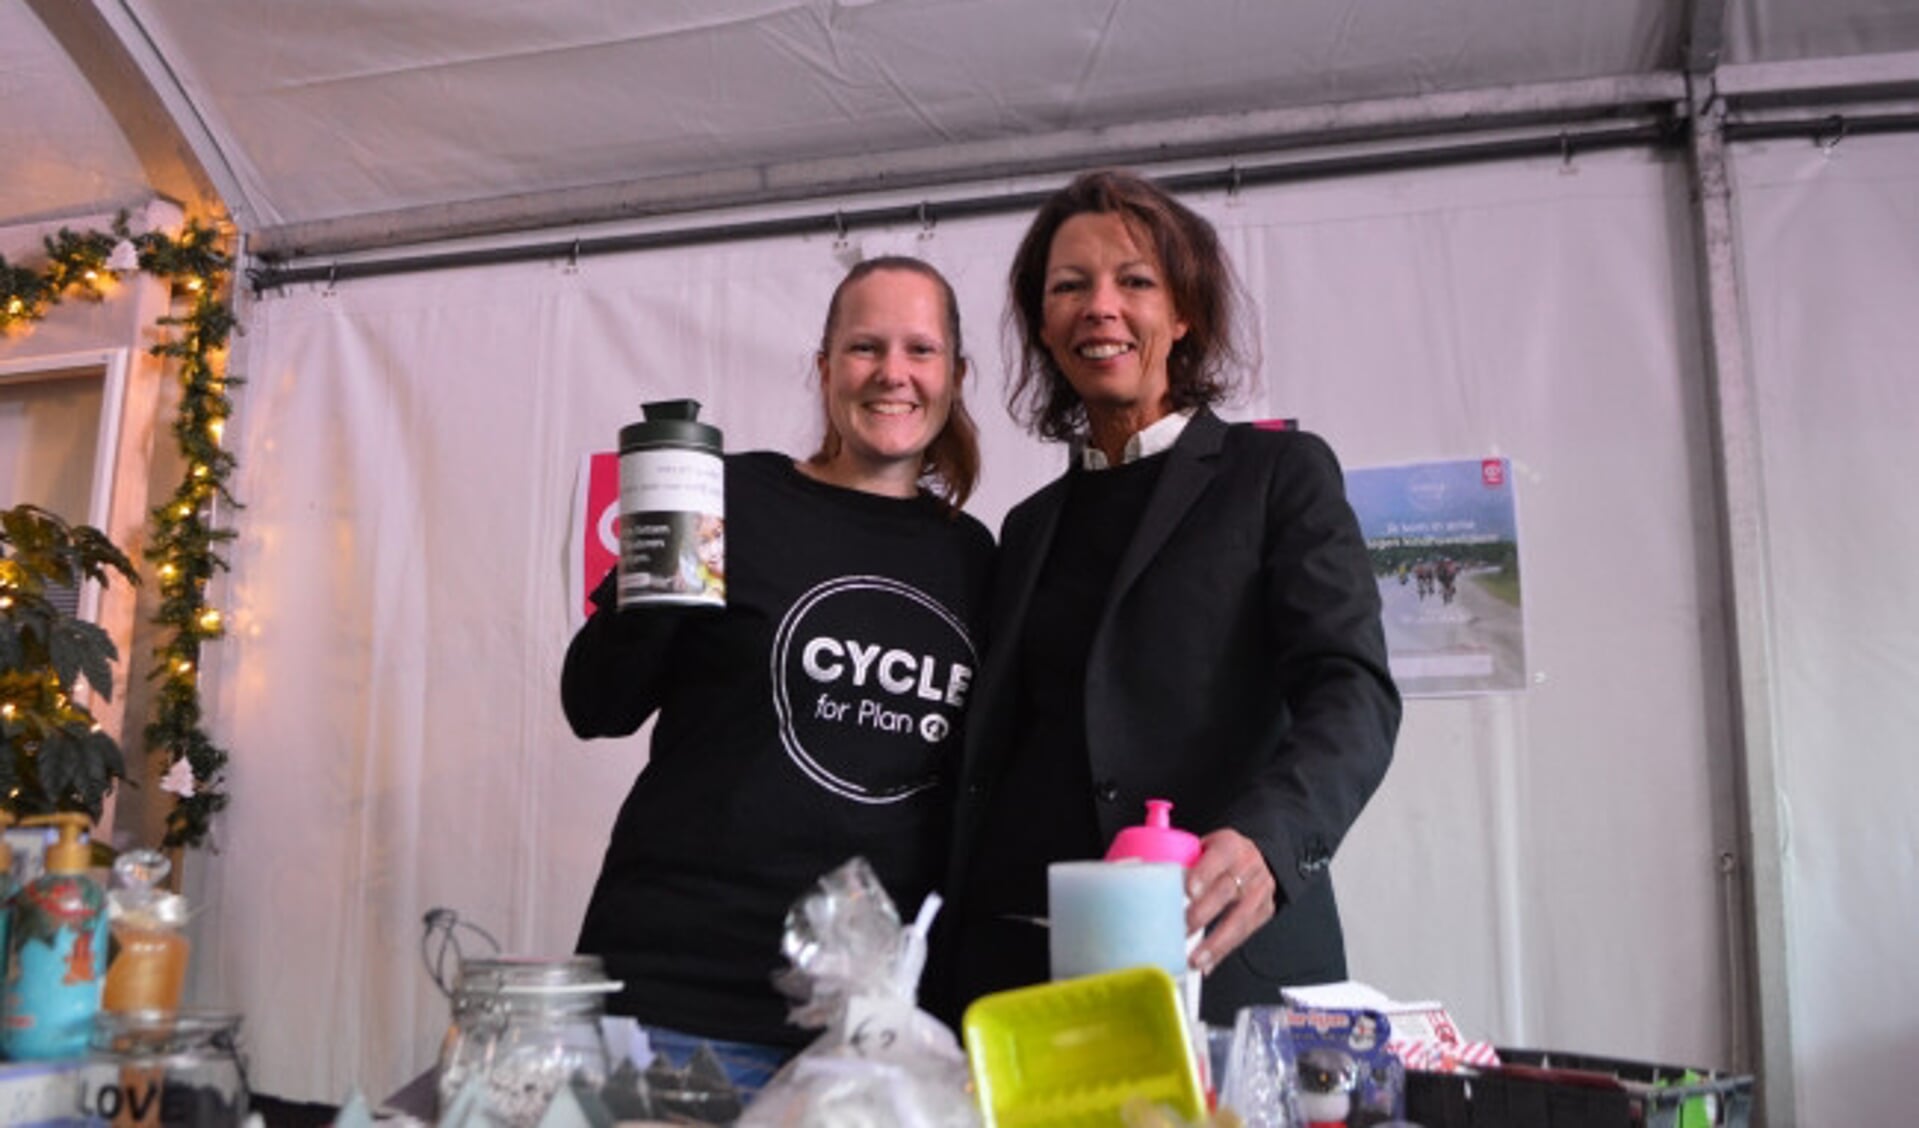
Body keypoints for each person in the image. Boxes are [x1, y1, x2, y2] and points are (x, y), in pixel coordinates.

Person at [936, 169, 1401, 1027]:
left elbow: (1353, 691)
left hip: (1214, 962)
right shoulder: (1027, 525)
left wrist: (1268, 841)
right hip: (1024, 976)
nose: (1098, 307)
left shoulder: (1274, 478)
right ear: (1043, 326)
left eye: (1134, 282)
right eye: (1068, 287)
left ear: (1182, 314)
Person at [562, 256, 995, 1095]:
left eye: (920, 350)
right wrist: (652, 567)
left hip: (865, 1028)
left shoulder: (977, 560)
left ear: (955, 376)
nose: (892, 373)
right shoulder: (729, 497)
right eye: (865, 347)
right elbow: (596, 705)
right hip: (680, 999)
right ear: (824, 365)